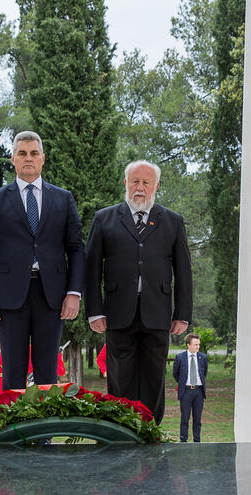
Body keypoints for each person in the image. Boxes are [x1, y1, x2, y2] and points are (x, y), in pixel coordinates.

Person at [0, 130, 84, 390]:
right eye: (22, 153)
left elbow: (76, 248)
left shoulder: (63, 198)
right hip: (9, 298)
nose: (28, 159)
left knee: (47, 371)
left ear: (43, 158)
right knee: (12, 370)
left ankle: (43, 433)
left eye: (34, 153)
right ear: (13, 158)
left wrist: (74, 292)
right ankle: (16, 430)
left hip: (52, 296)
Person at [85, 160, 193, 424]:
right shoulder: (104, 218)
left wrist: (182, 314)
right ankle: (122, 433)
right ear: (126, 183)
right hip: (117, 314)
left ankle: (151, 434)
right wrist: (94, 311)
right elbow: (90, 270)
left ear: (156, 186)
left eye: (146, 182)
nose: (140, 188)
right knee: (120, 380)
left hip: (157, 315)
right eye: (135, 181)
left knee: (154, 378)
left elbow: (184, 271)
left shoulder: (173, 222)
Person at [173, 333, 208, 442]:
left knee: (197, 419)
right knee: (185, 418)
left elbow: (204, 373)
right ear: (188, 345)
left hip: (199, 392)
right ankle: (183, 441)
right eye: (195, 344)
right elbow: (176, 374)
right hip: (186, 392)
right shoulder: (180, 357)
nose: (198, 347)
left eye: (198, 344)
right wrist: (184, 383)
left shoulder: (203, 357)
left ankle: (197, 441)